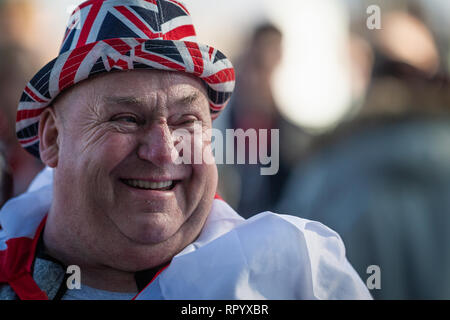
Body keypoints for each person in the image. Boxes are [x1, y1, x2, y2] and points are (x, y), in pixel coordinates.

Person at [0, 0, 370, 300]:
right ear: (52, 138)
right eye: (127, 118)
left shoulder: (292, 276)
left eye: (186, 122)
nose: (163, 151)